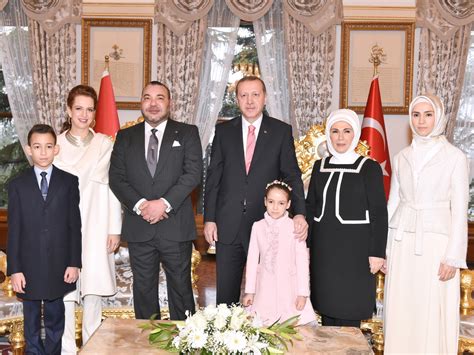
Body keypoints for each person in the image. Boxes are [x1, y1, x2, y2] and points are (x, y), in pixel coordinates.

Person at [204, 76, 307, 306]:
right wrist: (210, 218)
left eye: (255, 95)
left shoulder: (281, 132)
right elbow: (214, 179)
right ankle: (226, 340)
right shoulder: (223, 132)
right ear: (237, 99)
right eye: (243, 95)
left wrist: (299, 212)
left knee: (265, 295)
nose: (249, 101)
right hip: (227, 225)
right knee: (225, 300)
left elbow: (292, 175)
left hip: (266, 225)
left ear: (265, 98)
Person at [383, 95, 469, 354]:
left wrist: (453, 257)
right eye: (417, 115)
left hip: (436, 245)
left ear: (439, 117)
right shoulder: (401, 157)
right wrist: (383, 249)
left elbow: (459, 210)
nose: (421, 121)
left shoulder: (455, 157)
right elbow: (393, 204)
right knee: (402, 306)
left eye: (428, 114)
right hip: (402, 242)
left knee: (430, 309)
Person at [109, 81, 202, 320]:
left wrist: (164, 204)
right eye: (147, 97)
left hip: (175, 226)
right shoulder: (125, 136)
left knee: (181, 290)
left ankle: (185, 343)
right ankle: (147, 343)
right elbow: (116, 178)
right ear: (141, 103)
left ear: (169, 103)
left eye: (159, 98)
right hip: (139, 228)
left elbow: (193, 174)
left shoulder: (188, 132)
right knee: (143, 290)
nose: (153, 103)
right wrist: (141, 206)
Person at [53, 85, 122, 353]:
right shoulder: (54, 145)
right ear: (69, 110)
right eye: (78, 108)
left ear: (95, 113)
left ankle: (94, 348)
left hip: (97, 224)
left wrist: (114, 228)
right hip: (62, 228)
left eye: (89, 109)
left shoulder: (105, 145)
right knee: (66, 294)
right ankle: (68, 349)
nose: (84, 114)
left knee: (93, 291)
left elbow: (113, 189)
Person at [305, 109, 387, 327]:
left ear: (355, 135)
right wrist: (305, 246)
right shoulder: (319, 166)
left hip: (356, 253)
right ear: (328, 135)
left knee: (349, 312)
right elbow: (311, 207)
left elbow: (379, 211)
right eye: (335, 131)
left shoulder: (368, 167)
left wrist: (377, 252)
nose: (340, 137)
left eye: (346, 131)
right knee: (327, 310)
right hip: (324, 251)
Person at [7, 124, 81, 355]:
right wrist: (15, 269)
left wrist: (74, 262)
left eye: (48, 146)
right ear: (29, 149)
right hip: (28, 266)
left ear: (56, 149)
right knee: (30, 321)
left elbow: (74, 226)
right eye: (37, 147)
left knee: (55, 318)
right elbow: (14, 229)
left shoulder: (69, 182)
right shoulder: (17, 185)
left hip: (59, 264)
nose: (43, 152)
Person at [242, 180, 316, 325]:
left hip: (289, 288)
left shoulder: (295, 227)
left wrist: (303, 293)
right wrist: (249, 290)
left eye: (281, 203)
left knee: (292, 328)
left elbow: (302, 262)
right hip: (264, 286)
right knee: (264, 326)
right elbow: (251, 261)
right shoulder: (257, 227)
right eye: (271, 201)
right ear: (265, 201)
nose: (275, 207)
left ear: (288, 204)